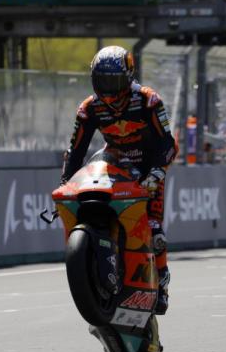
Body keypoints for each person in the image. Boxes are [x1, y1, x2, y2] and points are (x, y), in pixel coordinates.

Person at [61, 46, 178, 314]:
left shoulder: (149, 101)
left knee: (154, 228)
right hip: (114, 163)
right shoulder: (89, 108)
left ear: (128, 77)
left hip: (148, 168)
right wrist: (66, 182)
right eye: (102, 81)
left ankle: (161, 283)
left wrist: (156, 175)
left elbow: (169, 145)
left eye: (113, 82)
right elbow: (76, 149)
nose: (108, 89)